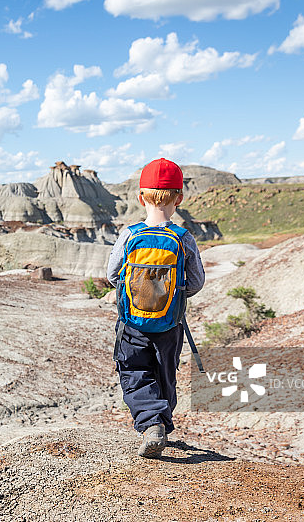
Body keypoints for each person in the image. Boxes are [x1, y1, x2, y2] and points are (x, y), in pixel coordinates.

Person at [106, 158, 205, 458]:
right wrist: (172, 292)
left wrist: (138, 287)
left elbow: (112, 275)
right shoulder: (184, 238)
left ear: (140, 198)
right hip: (170, 326)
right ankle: (160, 422)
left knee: (135, 371)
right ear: (179, 198)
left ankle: (151, 425)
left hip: (132, 324)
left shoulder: (129, 235)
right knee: (165, 373)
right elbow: (197, 281)